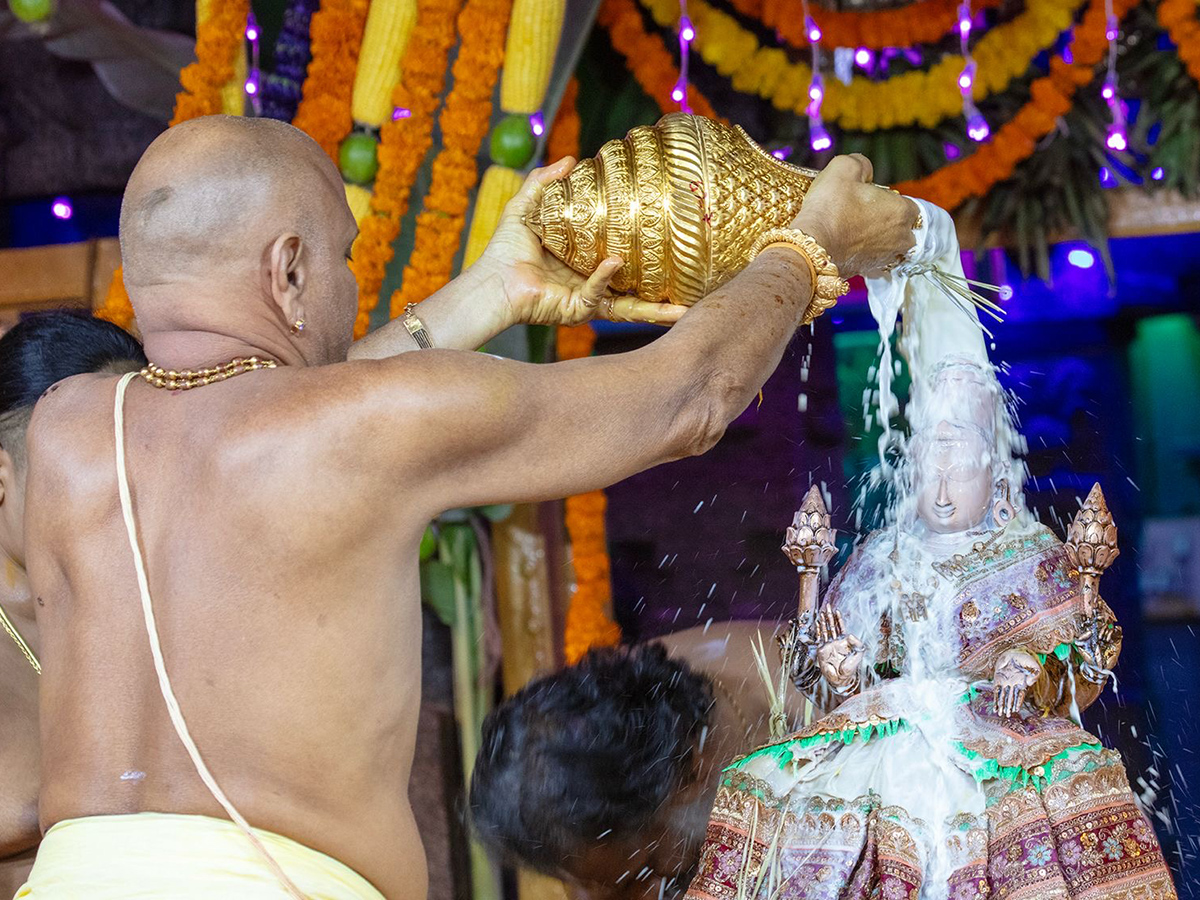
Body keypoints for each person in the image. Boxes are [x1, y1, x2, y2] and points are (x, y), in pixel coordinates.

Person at [21, 114, 916, 899]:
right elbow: (690, 399)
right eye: (341, 257)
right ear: (287, 270)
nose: (348, 282)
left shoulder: (64, 432)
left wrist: (494, 290)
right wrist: (806, 244)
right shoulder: (356, 429)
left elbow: (265, 413)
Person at [683, 202, 1176, 899]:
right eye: (926, 466)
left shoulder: (1028, 550)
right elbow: (823, 666)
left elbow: (1085, 666)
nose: (940, 487)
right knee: (763, 783)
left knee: (1054, 795)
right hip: (882, 736)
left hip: (999, 740)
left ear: (997, 480)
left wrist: (1029, 664)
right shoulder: (883, 556)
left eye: (958, 464)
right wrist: (840, 668)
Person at [470, 621, 805, 900]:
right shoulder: (638, 702)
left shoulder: (815, 730)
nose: (644, 892)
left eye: (648, 866)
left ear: (690, 775)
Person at [0, 313, 147, 897]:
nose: (117, 494)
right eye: (82, 469)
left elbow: (310, 411)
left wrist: (462, 300)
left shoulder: (168, 588)